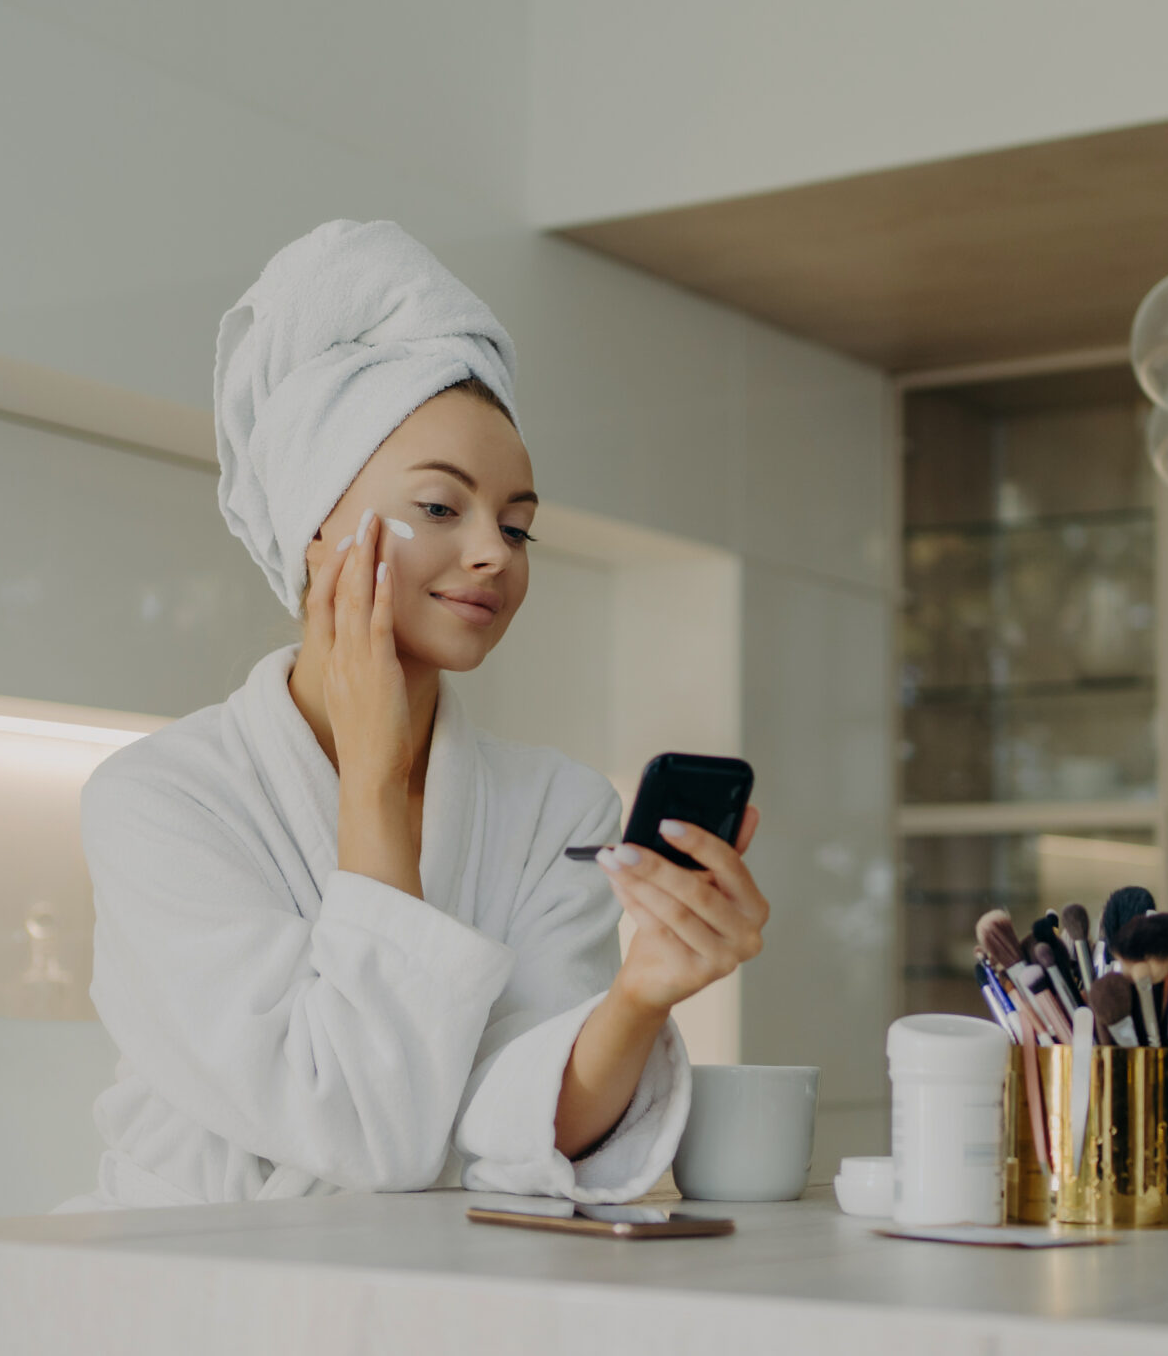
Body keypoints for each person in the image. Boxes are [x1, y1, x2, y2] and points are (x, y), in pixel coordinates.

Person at [73, 221, 767, 1207]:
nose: (494, 551)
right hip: (184, 1286)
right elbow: (364, 1134)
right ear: (315, 532)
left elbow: (511, 1133)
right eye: (441, 508)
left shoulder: (554, 806)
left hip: (430, 1287)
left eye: (517, 524)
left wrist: (642, 993)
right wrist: (370, 776)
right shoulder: (161, 800)